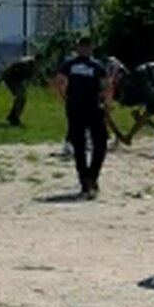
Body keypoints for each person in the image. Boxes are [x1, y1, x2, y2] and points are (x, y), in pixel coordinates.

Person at [52, 36, 111, 199]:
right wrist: (107, 103)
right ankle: (87, 180)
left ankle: (90, 177)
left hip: (82, 108)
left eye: (87, 47)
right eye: (83, 47)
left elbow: (58, 82)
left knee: (96, 143)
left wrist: (65, 97)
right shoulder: (92, 65)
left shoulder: (72, 65)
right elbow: (107, 86)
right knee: (83, 145)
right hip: (87, 107)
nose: (85, 49)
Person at [0, 54, 37, 127]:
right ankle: (15, 118)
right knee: (21, 97)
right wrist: (0, 79)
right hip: (10, 77)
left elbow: (30, 79)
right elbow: (12, 67)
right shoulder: (26, 62)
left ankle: (13, 116)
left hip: (17, 79)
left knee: (22, 98)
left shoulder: (35, 67)